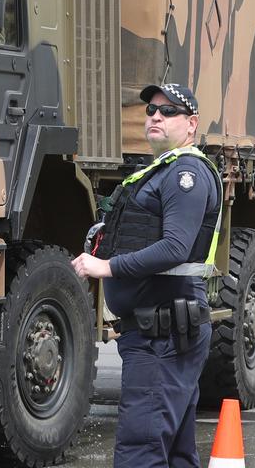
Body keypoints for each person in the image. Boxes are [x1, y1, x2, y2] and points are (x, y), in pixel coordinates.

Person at [72, 83, 222, 468]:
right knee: (172, 451)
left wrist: (107, 267)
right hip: (160, 329)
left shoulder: (185, 175)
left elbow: (175, 247)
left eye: (168, 111)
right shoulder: (163, 170)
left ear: (191, 124)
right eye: (151, 110)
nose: (155, 116)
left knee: (142, 450)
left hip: (163, 333)